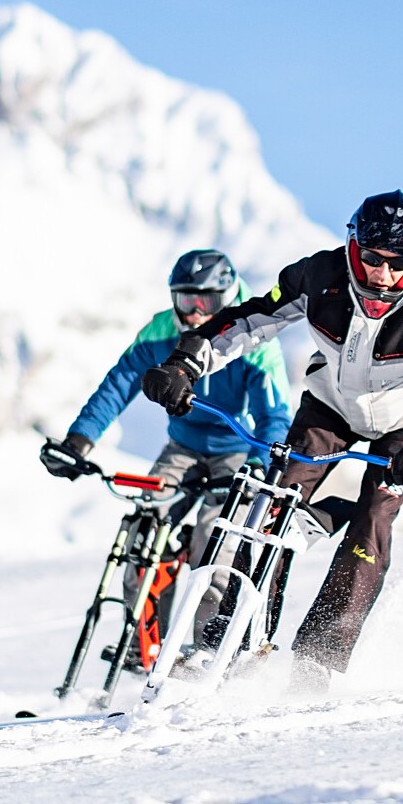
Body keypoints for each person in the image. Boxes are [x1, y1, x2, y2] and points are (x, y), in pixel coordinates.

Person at [140, 191, 403, 697]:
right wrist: (185, 364)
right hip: (330, 409)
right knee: (270, 510)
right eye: (371, 258)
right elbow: (249, 320)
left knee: (372, 526)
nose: (382, 275)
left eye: (398, 263)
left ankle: (316, 665)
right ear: (353, 245)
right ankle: (232, 645)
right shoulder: (319, 276)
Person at [40, 249, 292, 664]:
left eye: (206, 302)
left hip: (237, 451)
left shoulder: (253, 338)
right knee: (144, 529)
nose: (193, 312)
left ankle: (206, 652)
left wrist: (260, 463)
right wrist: (80, 441)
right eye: (184, 300)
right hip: (182, 448)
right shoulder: (160, 330)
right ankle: (143, 643)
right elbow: (120, 382)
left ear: (227, 298)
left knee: (214, 543)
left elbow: (273, 413)